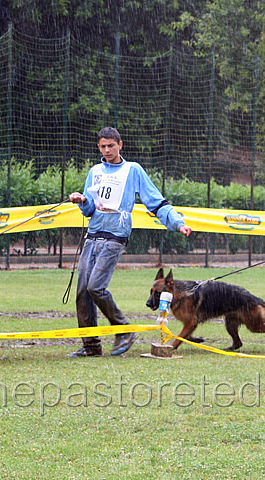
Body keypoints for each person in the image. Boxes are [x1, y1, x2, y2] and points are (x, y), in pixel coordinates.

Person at [67, 127, 191, 357]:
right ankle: (91, 346)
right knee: (83, 291)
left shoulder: (133, 170)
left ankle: (124, 330)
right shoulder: (94, 171)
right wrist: (82, 200)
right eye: (103, 147)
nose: (107, 150)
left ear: (120, 145)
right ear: (98, 147)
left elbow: (156, 202)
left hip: (115, 238)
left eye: (111, 146)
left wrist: (177, 223)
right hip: (92, 237)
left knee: (96, 287)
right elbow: (89, 210)